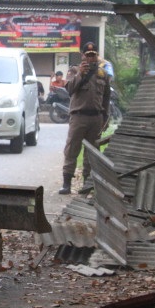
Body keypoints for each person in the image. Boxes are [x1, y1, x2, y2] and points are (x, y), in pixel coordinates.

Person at [59, 42, 110, 195]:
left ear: (97, 55)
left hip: (96, 118)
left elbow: (106, 98)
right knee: (71, 150)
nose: (90, 57)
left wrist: (105, 118)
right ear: (82, 55)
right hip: (78, 117)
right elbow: (69, 89)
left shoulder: (103, 74)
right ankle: (66, 183)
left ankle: (86, 184)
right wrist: (81, 74)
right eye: (87, 55)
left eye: (93, 54)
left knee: (92, 152)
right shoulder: (74, 70)